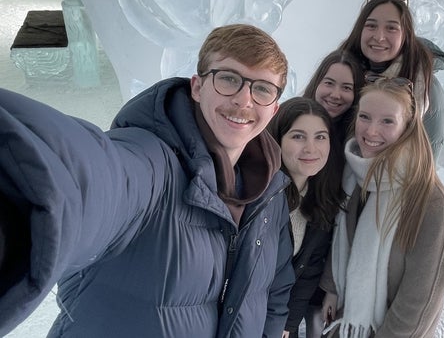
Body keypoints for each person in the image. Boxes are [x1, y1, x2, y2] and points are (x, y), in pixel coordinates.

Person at [0, 24, 295, 338]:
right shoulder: (152, 162)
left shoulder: (269, 191)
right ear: (197, 87)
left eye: (262, 88)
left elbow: (274, 286)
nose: (244, 100)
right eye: (228, 79)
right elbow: (94, 178)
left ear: (274, 106)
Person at [319, 76, 444, 337]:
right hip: (347, 319)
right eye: (365, 117)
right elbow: (343, 237)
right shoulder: (357, 173)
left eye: (387, 121)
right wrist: (332, 289)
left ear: (407, 127)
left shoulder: (433, 205)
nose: (371, 131)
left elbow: (420, 303)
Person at [337, 0, 444, 159]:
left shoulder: (426, 87)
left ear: (405, 35)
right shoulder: (343, 67)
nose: (379, 37)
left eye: (391, 28)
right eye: (371, 26)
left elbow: (425, 160)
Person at [267, 97, 344, 338]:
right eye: (298, 136)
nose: (311, 148)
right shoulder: (261, 193)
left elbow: (308, 271)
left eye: (320, 137)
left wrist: (289, 325)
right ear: (278, 139)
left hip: (279, 316)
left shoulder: (322, 199)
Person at [302, 49, 365, 150]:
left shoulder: (355, 141)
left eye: (346, 88)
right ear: (316, 83)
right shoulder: (289, 119)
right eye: (329, 83)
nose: (335, 95)